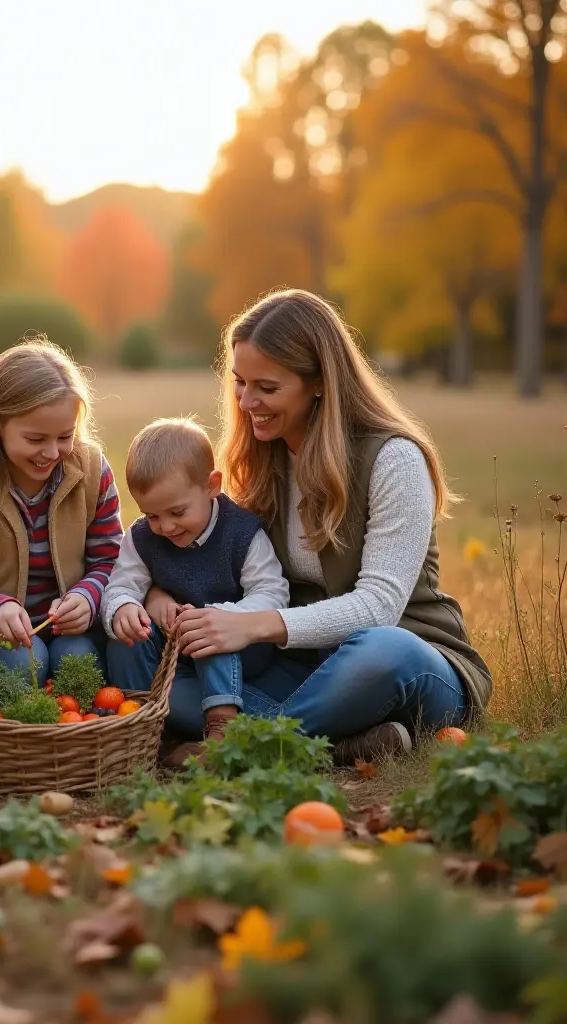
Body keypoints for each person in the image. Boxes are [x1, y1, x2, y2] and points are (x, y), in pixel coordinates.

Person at [108, 289, 492, 765]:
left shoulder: (393, 459)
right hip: (299, 667)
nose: (248, 402)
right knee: (150, 655)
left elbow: (379, 608)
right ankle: (336, 744)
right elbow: (213, 563)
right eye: (240, 383)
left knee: (382, 649)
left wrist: (254, 625)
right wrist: (154, 598)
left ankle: (242, 749)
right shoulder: (260, 461)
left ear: (319, 384)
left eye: (267, 388)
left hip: (406, 660)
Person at [0, 340, 122, 681]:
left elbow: (112, 562)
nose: (51, 452)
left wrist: (87, 598)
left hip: (70, 632)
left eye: (65, 436)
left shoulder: (91, 469)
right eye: (35, 439)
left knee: (77, 658)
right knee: (23, 662)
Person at [103, 417, 289, 765]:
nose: (166, 526)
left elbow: (273, 594)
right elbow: (122, 583)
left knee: (207, 628)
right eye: (152, 515)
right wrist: (124, 606)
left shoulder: (242, 534)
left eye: (177, 512)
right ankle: (138, 722)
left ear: (211, 486)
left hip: (240, 654)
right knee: (124, 637)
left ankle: (222, 731)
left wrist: (224, 616)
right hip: (179, 666)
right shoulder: (143, 537)